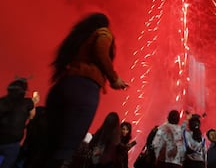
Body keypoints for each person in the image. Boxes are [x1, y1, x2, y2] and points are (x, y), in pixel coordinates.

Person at [44, 12, 129, 168]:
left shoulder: (80, 38)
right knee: (67, 147)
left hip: (63, 85)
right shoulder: (103, 33)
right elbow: (101, 49)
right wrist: (114, 78)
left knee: (51, 144)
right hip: (84, 89)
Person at [0, 78, 39, 168]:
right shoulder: (27, 102)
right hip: (12, 143)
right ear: (24, 92)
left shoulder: (2, 101)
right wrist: (34, 102)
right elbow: (32, 116)